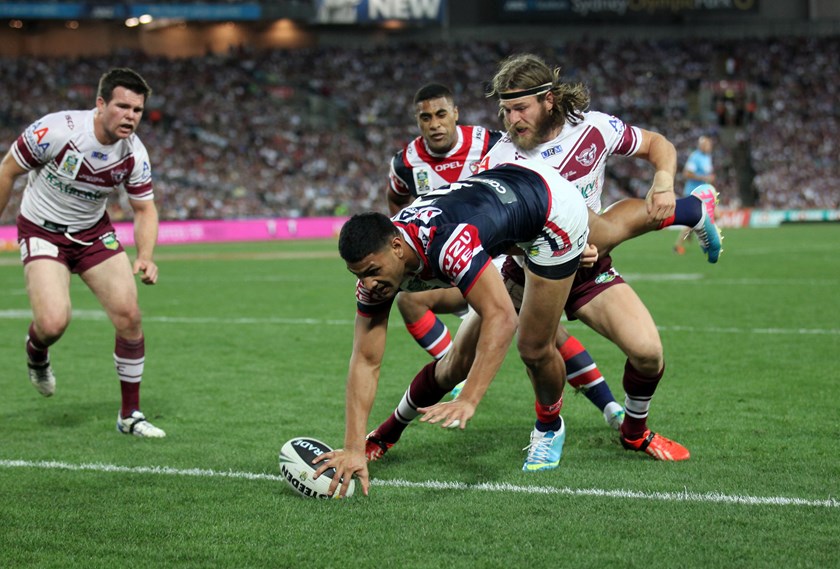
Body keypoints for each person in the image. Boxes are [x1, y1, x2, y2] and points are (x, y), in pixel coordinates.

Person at [480, 53, 712, 461]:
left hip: (590, 265)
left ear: (548, 99)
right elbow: (494, 234)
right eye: (505, 109)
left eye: (520, 107)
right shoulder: (500, 159)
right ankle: (546, 428)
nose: (511, 119)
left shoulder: (594, 129)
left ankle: (634, 432)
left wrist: (662, 182)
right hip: (531, 272)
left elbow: (659, 145)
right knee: (458, 359)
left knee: (648, 353)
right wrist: (546, 243)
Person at [316, 159, 592, 497]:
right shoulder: (378, 275)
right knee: (455, 364)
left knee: (533, 347)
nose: (369, 283)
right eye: (359, 275)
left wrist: (470, 399)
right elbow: (365, 360)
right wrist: (353, 447)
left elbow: (502, 318)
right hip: (506, 199)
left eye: (373, 270)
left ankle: (550, 426)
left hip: (553, 213)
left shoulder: (446, 243)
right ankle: (385, 434)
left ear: (397, 248)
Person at [385, 82, 625, 431]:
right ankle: (455, 372)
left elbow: (532, 179)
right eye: (425, 118)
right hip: (448, 258)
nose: (434, 124)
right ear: (417, 121)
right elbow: (396, 203)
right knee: (410, 301)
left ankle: (608, 405)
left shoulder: (489, 142)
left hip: (497, 254)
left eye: (440, 114)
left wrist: (570, 230)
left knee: (543, 334)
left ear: (455, 114)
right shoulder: (405, 162)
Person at [0, 67, 165, 438]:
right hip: (42, 229)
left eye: (137, 110)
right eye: (122, 106)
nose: (130, 116)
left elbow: (144, 209)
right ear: (100, 103)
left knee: (130, 315)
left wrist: (146, 255)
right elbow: (7, 171)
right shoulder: (57, 131)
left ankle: (130, 416)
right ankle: (37, 353)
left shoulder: (134, 155)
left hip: (93, 234)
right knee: (54, 322)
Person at [675, 136, 716, 254]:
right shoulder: (695, 157)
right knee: (695, 220)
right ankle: (678, 245)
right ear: (701, 146)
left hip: (704, 192)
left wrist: (710, 178)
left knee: (712, 215)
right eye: (708, 145)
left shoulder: (708, 156)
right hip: (693, 192)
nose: (710, 147)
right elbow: (686, 174)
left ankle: (692, 233)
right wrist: (704, 177)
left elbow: (707, 172)